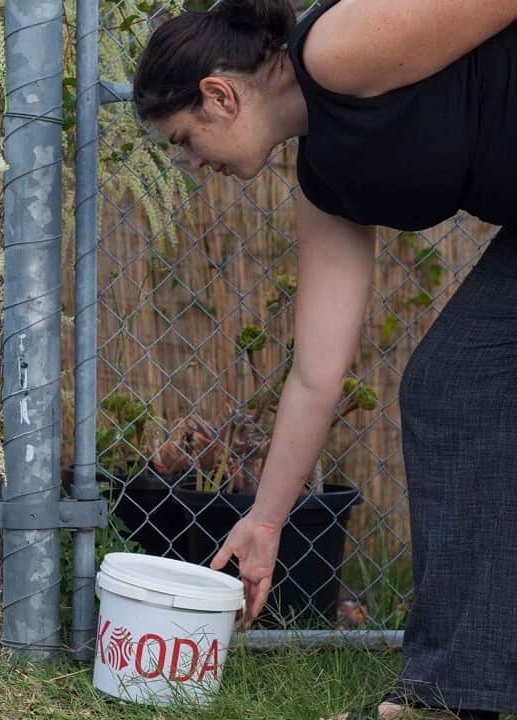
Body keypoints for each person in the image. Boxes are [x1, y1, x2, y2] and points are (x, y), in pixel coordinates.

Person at [130, 1, 517, 718]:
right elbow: (316, 371)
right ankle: (451, 699)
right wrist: (267, 522)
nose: (192, 163)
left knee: (458, 384)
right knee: (455, 386)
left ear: (220, 95)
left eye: (185, 139)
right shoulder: (328, 180)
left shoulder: (337, 48)